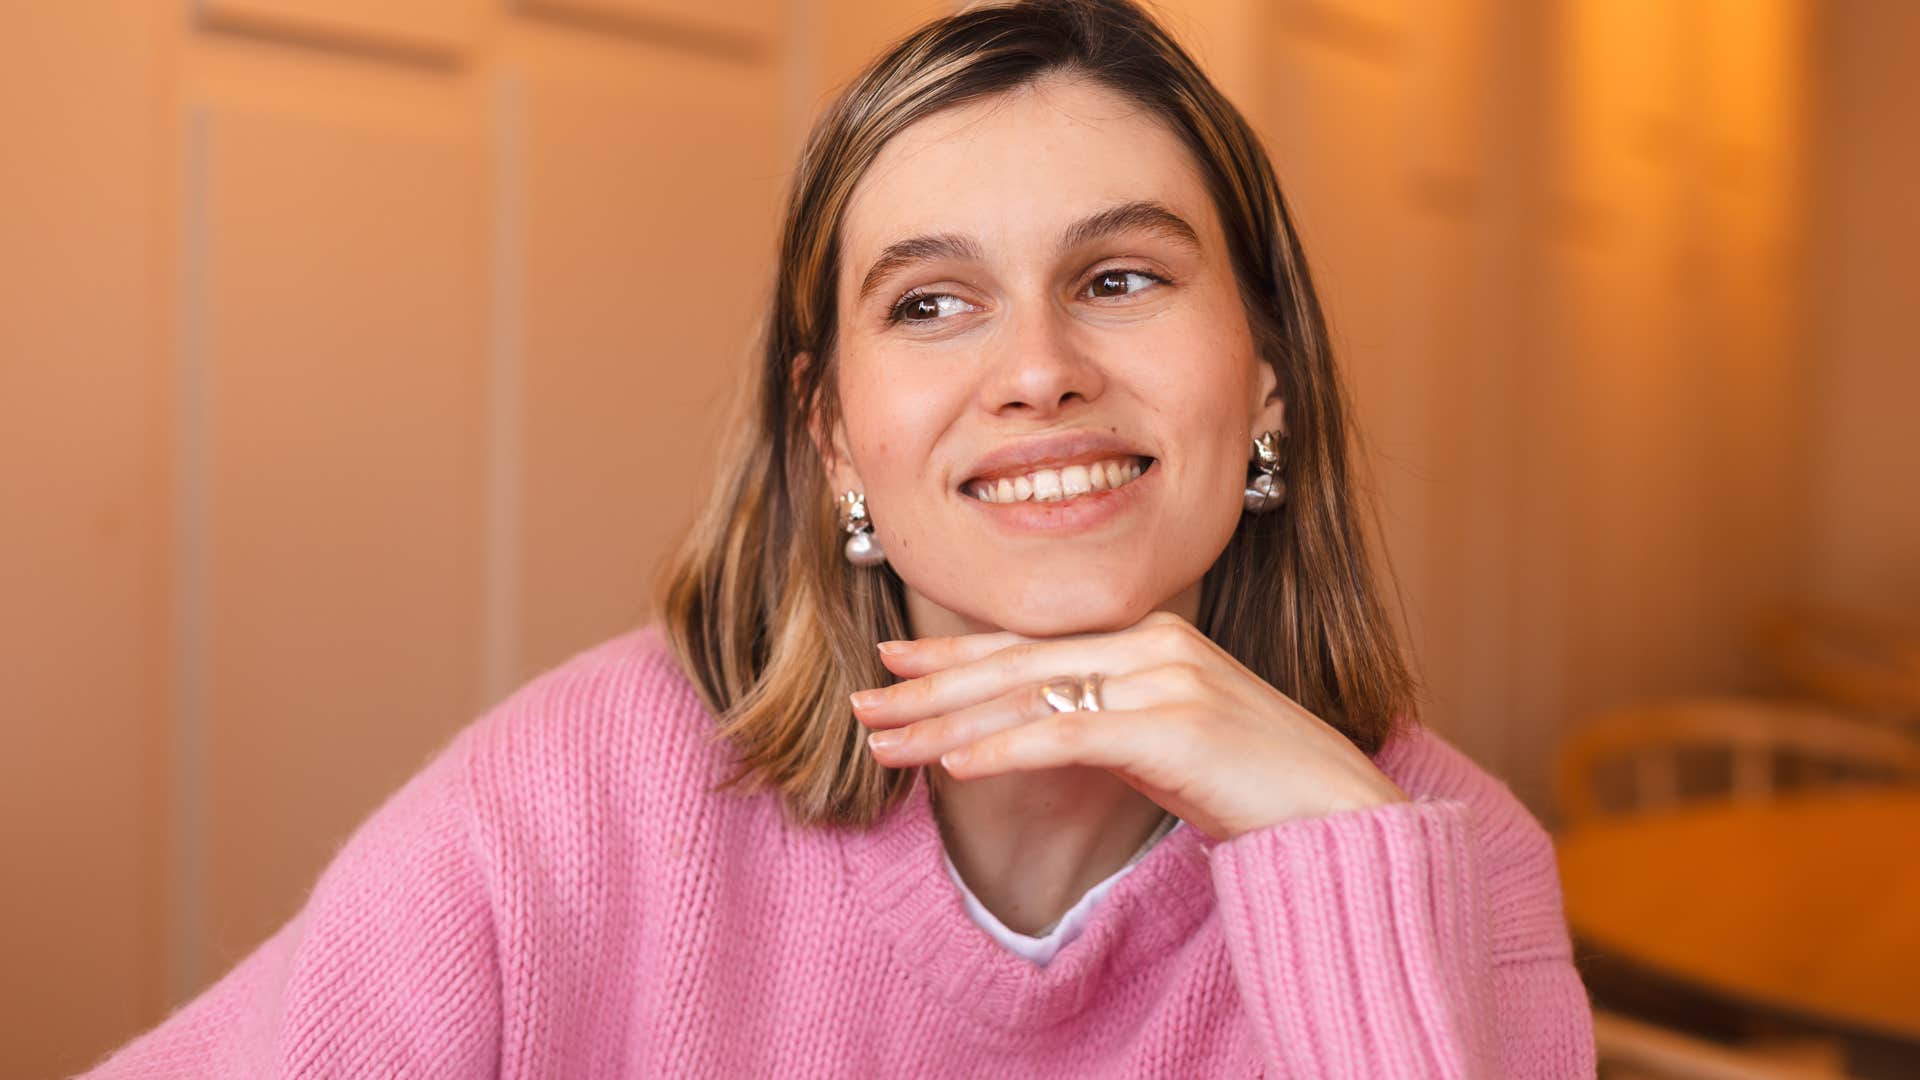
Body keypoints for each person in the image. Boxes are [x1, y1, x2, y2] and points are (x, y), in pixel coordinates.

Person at [84, 0, 1597, 1075]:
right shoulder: (575, 804)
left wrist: (1326, 852)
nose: (1037, 369)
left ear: (1265, 376)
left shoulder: (1451, 857)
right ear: (831, 435)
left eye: (1123, 277)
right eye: (932, 303)